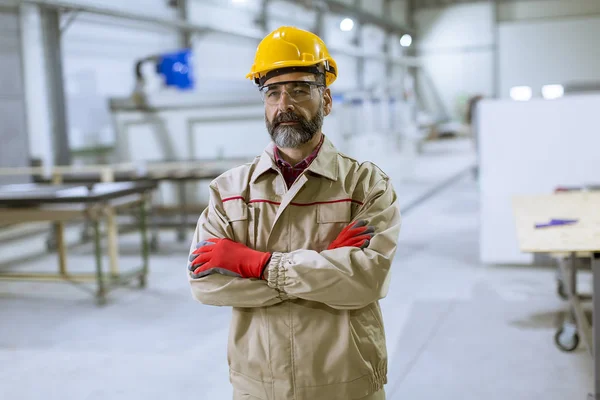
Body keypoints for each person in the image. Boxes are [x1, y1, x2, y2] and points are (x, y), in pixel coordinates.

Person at [187, 26, 401, 400]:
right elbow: (205, 285)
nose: (284, 104)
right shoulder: (229, 191)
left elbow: (367, 281)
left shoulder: (366, 186)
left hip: (346, 381)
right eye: (273, 92)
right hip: (259, 385)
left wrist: (257, 264)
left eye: (300, 90)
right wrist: (325, 267)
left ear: (327, 100)